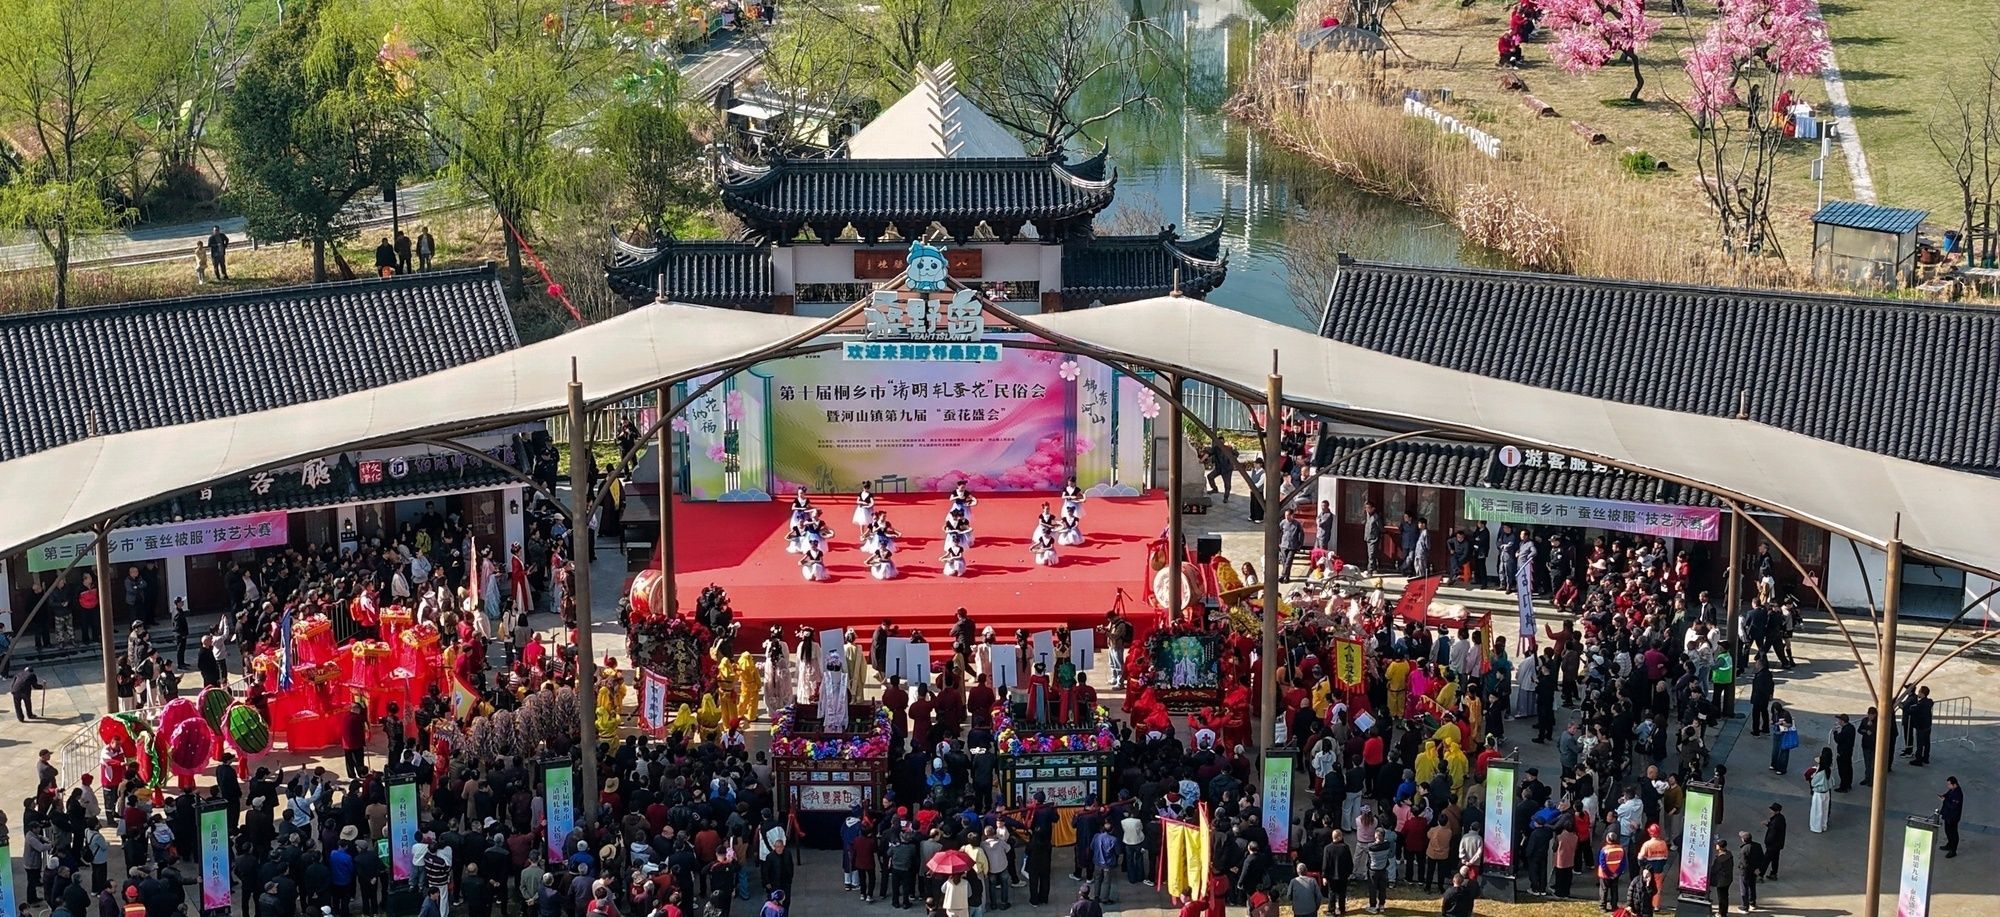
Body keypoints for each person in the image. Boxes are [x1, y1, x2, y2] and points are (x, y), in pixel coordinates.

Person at [1735, 831, 1763, 914]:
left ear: (1743, 840)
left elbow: (1744, 863)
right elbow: (1762, 858)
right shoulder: (1758, 845)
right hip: (1754, 871)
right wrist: (1757, 869)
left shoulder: (1744, 849)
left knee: (1744, 888)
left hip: (1745, 872)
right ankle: (1752, 903)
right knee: (1752, 886)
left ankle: (1744, 907)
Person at [1806, 750, 1831, 835]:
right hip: (1826, 792)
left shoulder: (1820, 773)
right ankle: (1823, 825)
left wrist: (1813, 776)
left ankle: (1816, 827)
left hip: (1819, 793)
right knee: (1824, 810)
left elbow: (1813, 783)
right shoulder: (1828, 770)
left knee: (1817, 811)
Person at [1707, 839, 1734, 917]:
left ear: (1719, 846)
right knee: (1725, 896)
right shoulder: (1729, 854)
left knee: (1721, 898)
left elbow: (1714, 870)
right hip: (1728, 879)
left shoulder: (1720, 859)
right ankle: (1724, 912)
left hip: (1721, 881)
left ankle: (1721, 913)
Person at [1938, 776, 1962, 858]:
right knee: (1947, 831)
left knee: (1953, 833)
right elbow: (1947, 795)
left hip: (1953, 817)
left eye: (1949, 784)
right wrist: (1943, 796)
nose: (1948, 786)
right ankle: (1949, 844)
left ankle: (1953, 850)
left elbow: (1953, 806)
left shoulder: (1958, 794)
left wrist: (1944, 800)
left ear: (1954, 784)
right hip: (1948, 815)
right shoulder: (1952, 790)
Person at [1831, 713, 1857, 791]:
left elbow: (1838, 739)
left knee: (1843, 770)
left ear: (1842, 721)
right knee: (1848, 768)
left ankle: (1843, 787)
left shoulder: (1845, 730)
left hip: (1843, 753)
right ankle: (1848, 784)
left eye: (1839, 720)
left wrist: (1835, 732)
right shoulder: (1851, 728)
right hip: (1849, 751)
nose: (1838, 722)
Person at [1204, 438, 1235, 502]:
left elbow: (1236, 454)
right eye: (1219, 442)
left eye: (1221, 442)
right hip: (1219, 468)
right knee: (1210, 476)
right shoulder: (1216, 448)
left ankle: (1226, 497)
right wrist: (1202, 460)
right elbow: (1208, 453)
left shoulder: (1228, 448)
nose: (1220, 443)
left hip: (1227, 469)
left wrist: (1232, 459)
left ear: (1223, 442)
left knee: (1227, 484)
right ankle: (1215, 489)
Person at [1762, 803, 1787, 879]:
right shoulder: (1780, 818)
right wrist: (1768, 824)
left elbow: (1773, 832)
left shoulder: (1776, 820)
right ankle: (1774, 873)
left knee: (1766, 860)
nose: (1770, 811)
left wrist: (1767, 842)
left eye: (1772, 810)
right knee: (1775, 859)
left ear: (1777, 811)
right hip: (1778, 844)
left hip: (1772, 844)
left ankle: (1760, 875)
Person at [1362, 502, 1383, 574]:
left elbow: (1380, 527)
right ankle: (1374, 569)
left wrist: (1383, 532)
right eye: (1366, 508)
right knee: (1371, 554)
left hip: (1373, 538)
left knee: (1371, 555)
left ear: (1373, 508)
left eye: (1368, 508)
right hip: (1368, 537)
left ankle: (1370, 570)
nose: (1367, 509)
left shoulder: (1376, 517)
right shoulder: (1367, 515)